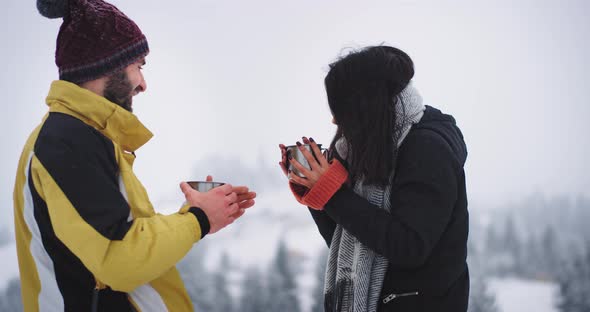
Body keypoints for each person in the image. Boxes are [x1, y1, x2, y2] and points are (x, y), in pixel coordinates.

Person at [13, 0, 256, 311]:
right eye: (139, 65)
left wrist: (195, 213)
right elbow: (118, 259)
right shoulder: (66, 141)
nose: (143, 84)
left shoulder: (81, 137)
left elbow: (118, 239)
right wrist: (198, 220)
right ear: (108, 63)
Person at [279, 46, 469, 311]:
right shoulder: (362, 145)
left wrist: (333, 194)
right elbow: (345, 236)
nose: (334, 120)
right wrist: (316, 192)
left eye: (341, 109)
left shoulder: (428, 149)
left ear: (365, 103)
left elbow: (410, 246)